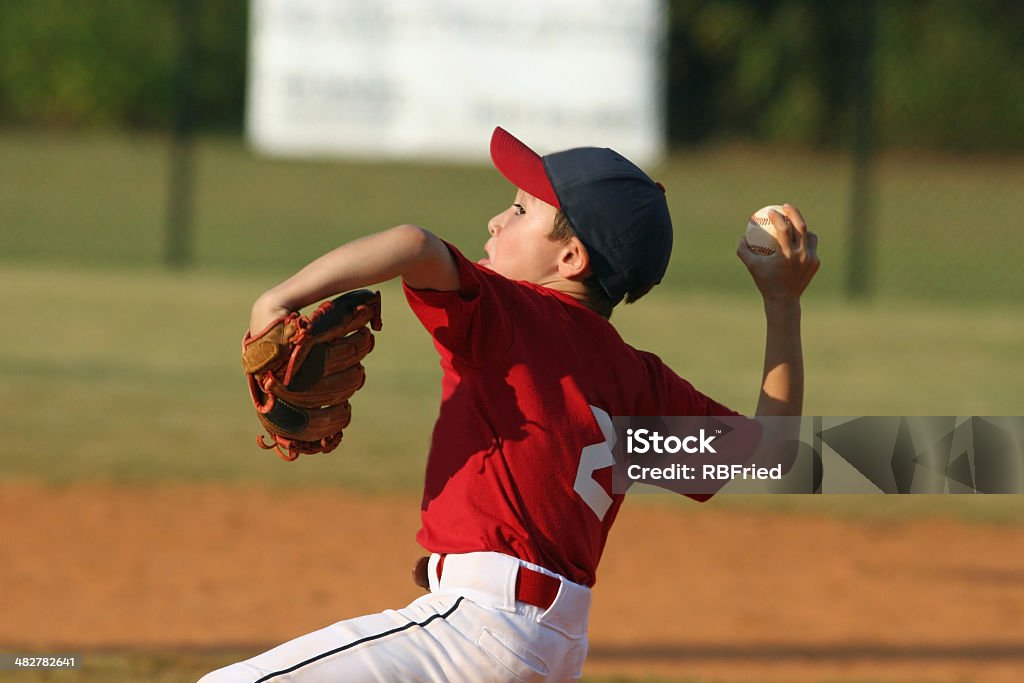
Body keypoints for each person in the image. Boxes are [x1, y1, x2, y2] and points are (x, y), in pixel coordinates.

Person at [200, 126, 819, 682]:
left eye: (521, 211)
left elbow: (413, 244)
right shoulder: (636, 380)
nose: (496, 221)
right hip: (551, 648)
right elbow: (770, 452)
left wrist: (275, 302)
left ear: (571, 259)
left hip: (473, 634)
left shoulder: (511, 317)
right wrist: (782, 304)